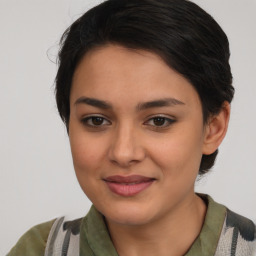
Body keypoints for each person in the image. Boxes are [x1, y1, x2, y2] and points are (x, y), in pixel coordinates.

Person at [7, 0, 256, 255]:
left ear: (213, 128)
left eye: (159, 120)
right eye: (96, 120)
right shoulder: (37, 250)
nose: (123, 153)